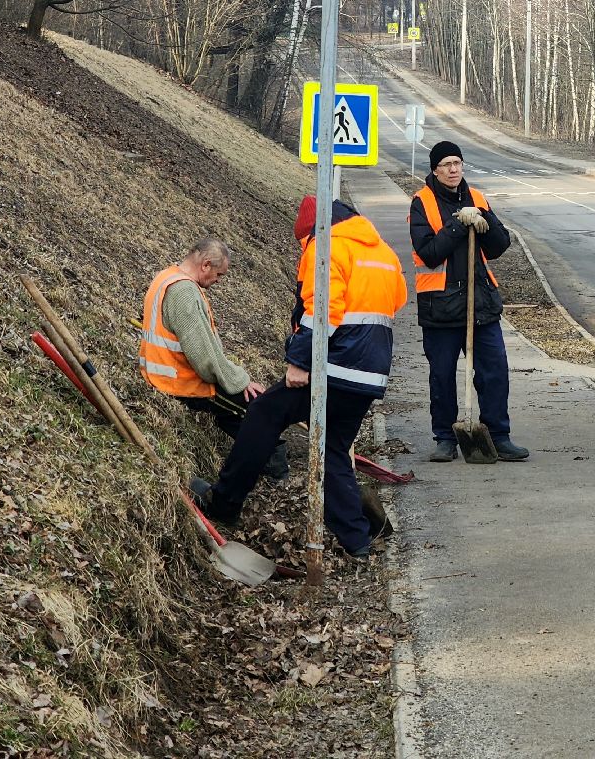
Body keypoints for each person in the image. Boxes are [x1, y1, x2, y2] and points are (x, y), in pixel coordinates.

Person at [193, 196, 408, 558]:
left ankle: (224, 502)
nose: (302, 251)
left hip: (331, 368)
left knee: (263, 412)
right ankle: (358, 541)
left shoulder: (324, 247)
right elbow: (397, 300)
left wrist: (299, 361)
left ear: (310, 231)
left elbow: (322, 310)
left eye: (301, 243)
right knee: (333, 451)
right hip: (371, 372)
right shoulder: (382, 252)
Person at [411, 141, 529, 463]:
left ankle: (498, 436)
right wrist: (458, 224)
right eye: (447, 164)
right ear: (435, 169)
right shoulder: (422, 202)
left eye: (457, 163)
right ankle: (446, 438)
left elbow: (500, 244)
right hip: (441, 306)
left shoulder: (476, 198)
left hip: (481, 304)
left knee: (494, 371)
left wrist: (484, 221)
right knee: (442, 375)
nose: (453, 169)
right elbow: (429, 253)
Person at [139, 237, 288, 480]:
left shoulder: (167, 276)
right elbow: (204, 358)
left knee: (235, 411)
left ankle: (257, 462)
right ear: (205, 265)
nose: (218, 281)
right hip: (180, 382)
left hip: (163, 373)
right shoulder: (184, 292)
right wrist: (240, 381)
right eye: (219, 275)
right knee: (255, 409)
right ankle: (276, 471)